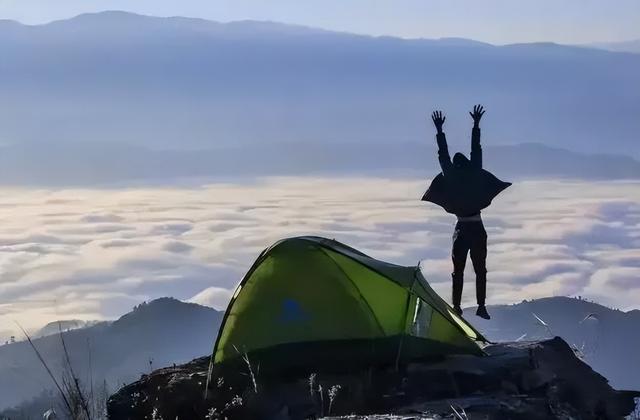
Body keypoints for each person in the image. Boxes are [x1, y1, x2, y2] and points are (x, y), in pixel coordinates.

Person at [430, 105, 492, 320]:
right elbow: (476, 150)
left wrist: (439, 131)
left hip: (462, 227)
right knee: (480, 269)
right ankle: (480, 306)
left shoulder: (452, 177)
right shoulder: (474, 174)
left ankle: (457, 306)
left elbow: (443, 156)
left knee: (459, 270)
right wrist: (476, 125)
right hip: (476, 226)